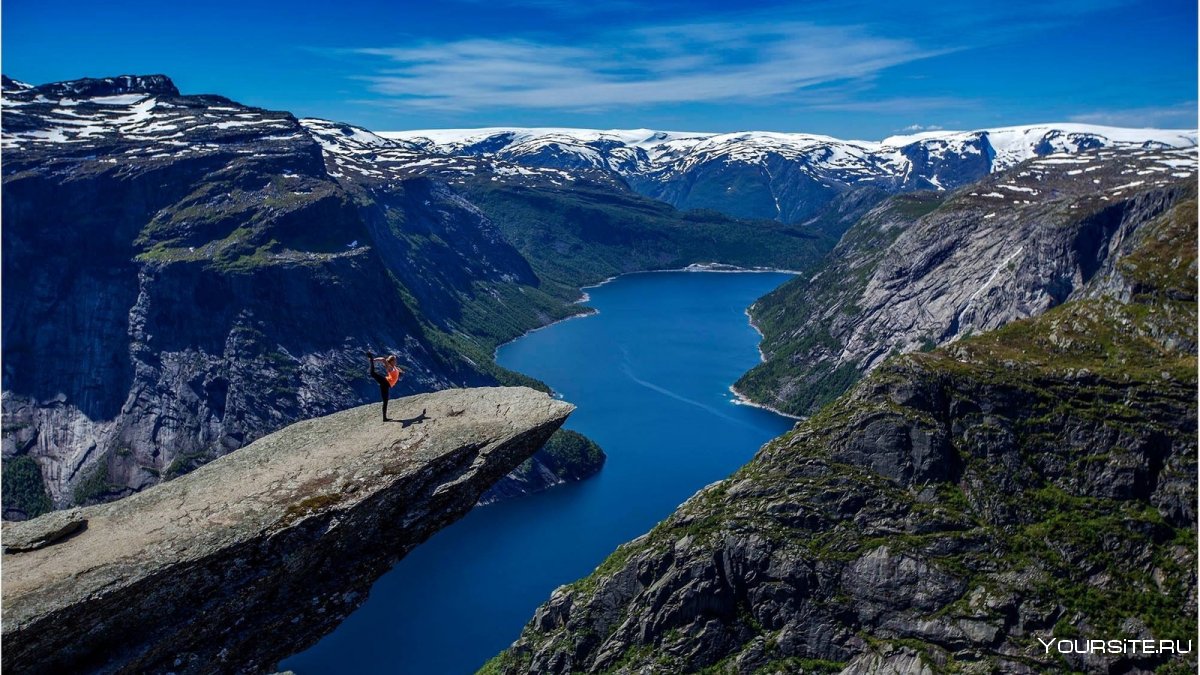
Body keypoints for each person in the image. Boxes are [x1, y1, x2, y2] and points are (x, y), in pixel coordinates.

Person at [366, 351, 404, 421]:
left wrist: (400, 372)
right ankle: (371, 360)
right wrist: (373, 360)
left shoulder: (395, 367)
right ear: (392, 361)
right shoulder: (390, 367)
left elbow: (398, 371)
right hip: (386, 382)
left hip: (386, 385)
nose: (396, 361)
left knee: (385, 401)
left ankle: (384, 418)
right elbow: (383, 359)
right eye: (395, 360)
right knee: (373, 373)